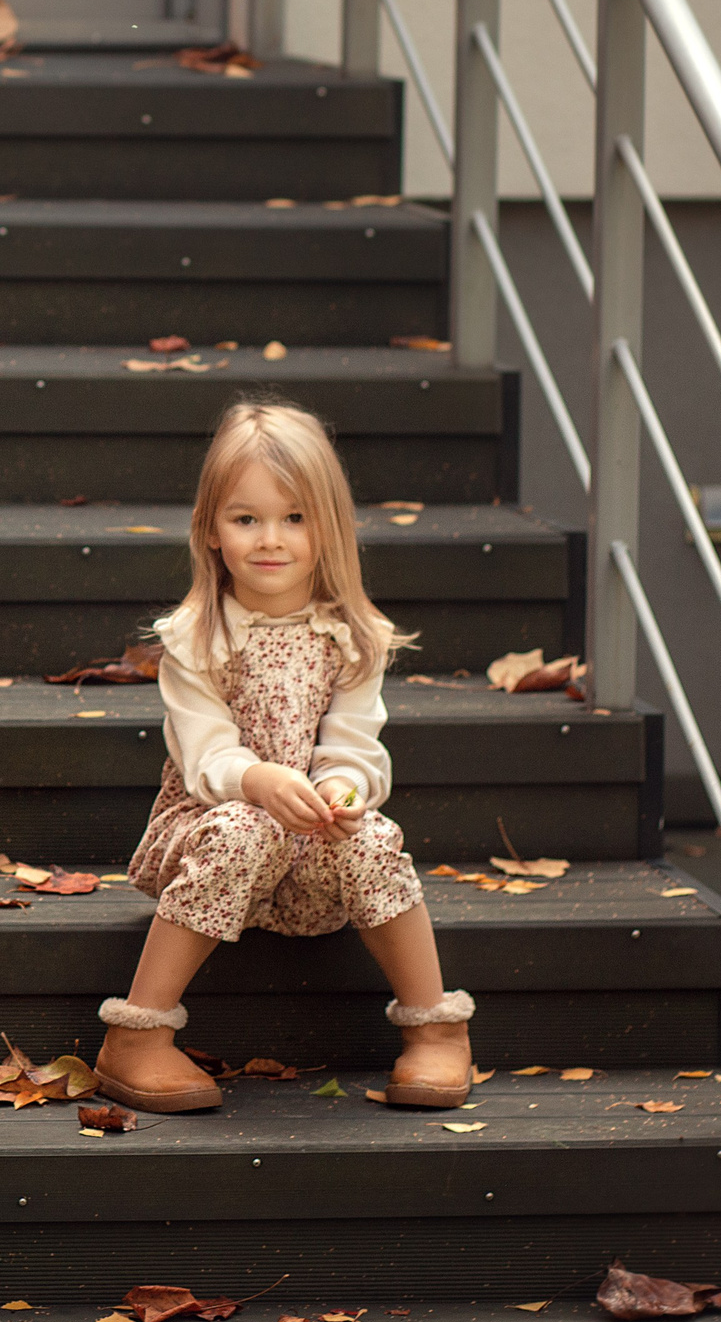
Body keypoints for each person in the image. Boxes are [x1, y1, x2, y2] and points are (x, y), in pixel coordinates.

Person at [94, 400, 474, 1114]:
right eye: (247, 519)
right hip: (211, 833)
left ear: (328, 526)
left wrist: (342, 791)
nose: (271, 539)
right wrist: (260, 781)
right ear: (211, 529)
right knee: (247, 826)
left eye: (295, 518)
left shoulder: (352, 637)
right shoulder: (195, 639)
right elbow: (206, 753)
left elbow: (357, 745)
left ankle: (436, 1030)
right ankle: (137, 1036)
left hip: (310, 846)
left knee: (376, 838)